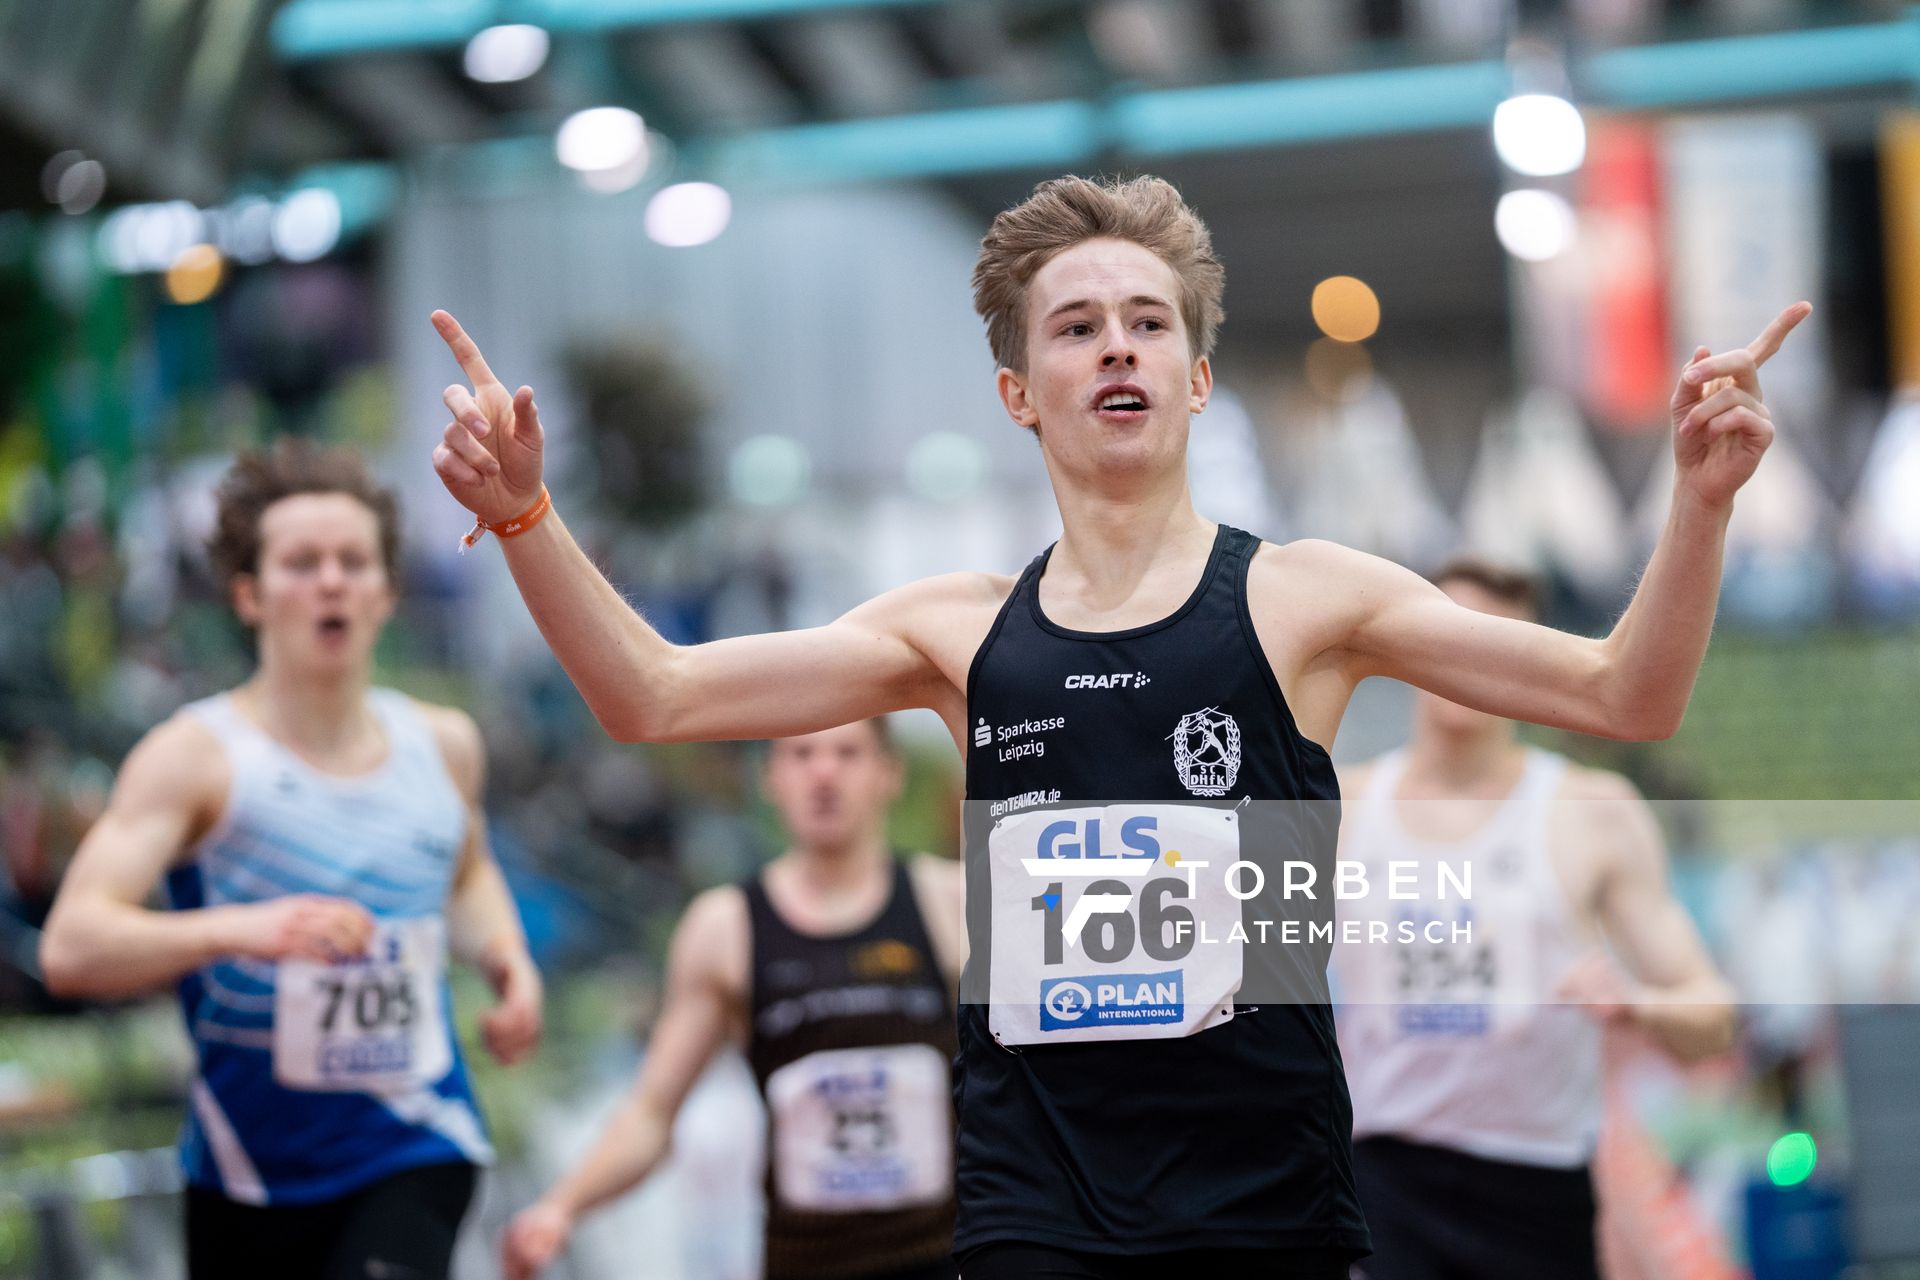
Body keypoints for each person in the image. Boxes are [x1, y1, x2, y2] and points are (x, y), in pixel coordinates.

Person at [426, 174, 1805, 1278]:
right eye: (1076, 328)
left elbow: (1631, 693)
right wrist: (526, 521)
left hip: (1270, 1205)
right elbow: (651, 694)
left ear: (1198, 378)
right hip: (1040, 1211)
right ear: (1023, 394)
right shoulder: (954, 632)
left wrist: (1697, 506)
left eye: (1148, 321)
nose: (1118, 347)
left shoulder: (1306, 598)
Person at [39, 440, 542, 1280]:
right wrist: (243, 928)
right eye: (302, 562)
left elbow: (470, 872)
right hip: (245, 1171)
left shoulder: (445, 745)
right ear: (249, 594)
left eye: (353, 561)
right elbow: (72, 946)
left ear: (384, 591)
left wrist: (506, 957)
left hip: (416, 1143)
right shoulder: (196, 758)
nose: (332, 581)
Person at [1330, 559, 1737, 1280]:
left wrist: (1640, 1005)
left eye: (1492, 640)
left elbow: (1712, 1019)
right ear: (1409, 651)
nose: (1465, 664)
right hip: (1381, 1185)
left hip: (1538, 1187)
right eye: (1449, 636)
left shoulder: (1593, 812)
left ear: (1529, 654)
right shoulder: (1342, 807)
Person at [502, 717, 966, 1280]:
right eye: (801, 755)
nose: (824, 773)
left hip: (947, 1256)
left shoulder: (952, 904)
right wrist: (561, 1206)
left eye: (848, 753)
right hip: (809, 1263)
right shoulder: (725, 930)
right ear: (770, 777)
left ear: (890, 774)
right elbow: (651, 1113)